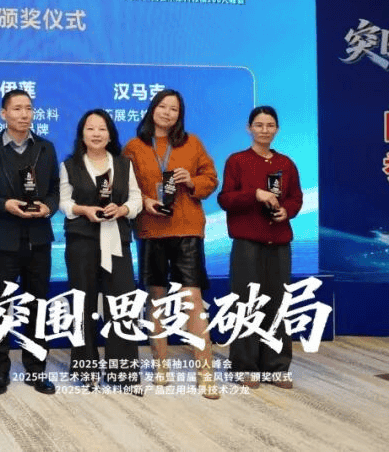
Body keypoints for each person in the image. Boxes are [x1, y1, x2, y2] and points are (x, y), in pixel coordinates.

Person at [121, 88, 220, 399]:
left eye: (173, 109)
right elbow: (124, 187)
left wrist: (191, 181)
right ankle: (160, 366)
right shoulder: (134, 147)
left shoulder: (192, 143)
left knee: (192, 298)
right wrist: (145, 200)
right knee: (157, 299)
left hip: (187, 228)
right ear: (153, 109)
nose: (167, 113)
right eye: (162, 106)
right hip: (151, 230)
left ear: (180, 115)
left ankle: (205, 371)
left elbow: (211, 179)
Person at [0, 89, 59, 396]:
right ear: (3, 114)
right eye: (17, 108)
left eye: (28, 108)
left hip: (38, 240)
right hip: (2, 241)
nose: (24, 114)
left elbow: (56, 189)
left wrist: (49, 206)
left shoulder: (45, 149)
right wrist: (4, 204)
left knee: (38, 307)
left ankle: (36, 370)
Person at [218, 106, 302, 389]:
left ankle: (276, 368)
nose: (264, 130)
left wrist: (287, 211)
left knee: (278, 305)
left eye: (270, 125)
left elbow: (296, 198)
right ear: (249, 128)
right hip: (247, 243)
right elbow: (225, 199)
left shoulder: (286, 163)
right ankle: (244, 367)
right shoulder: (237, 161)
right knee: (246, 303)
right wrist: (254, 194)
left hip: (279, 242)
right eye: (259, 125)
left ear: (277, 129)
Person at [59, 109, 143, 393]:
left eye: (102, 128)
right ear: (82, 134)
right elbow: (64, 202)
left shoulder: (123, 164)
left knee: (122, 305)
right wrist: (83, 209)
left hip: (117, 241)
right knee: (82, 306)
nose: (96, 133)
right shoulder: (69, 165)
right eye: (90, 128)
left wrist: (123, 209)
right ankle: (86, 368)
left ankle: (123, 371)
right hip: (81, 241)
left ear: (110, 134)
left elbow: (136, 198)